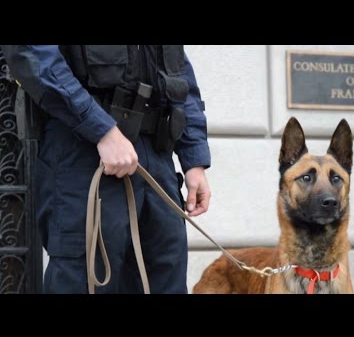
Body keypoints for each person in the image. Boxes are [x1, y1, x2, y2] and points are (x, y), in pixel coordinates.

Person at [1, 45, 211, 293]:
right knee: (85, 282)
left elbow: (178, 69)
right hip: (83, 152)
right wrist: (101, 130)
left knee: (166, 282)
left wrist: (193, 157)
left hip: (155, 157)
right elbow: (31, 54)